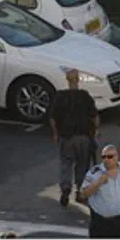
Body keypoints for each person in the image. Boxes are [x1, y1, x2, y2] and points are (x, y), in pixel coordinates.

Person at [49, 69, 100, 206]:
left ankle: (65, 188)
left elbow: (53, 118)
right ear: (78, 79)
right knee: (82, 165)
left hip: (66, 137)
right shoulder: (85, 96)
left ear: (67, 79)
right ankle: (80, 192)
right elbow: (95, 116)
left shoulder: (60, 97)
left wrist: (56, 133)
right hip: (84, 137)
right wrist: (95, 130)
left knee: (66, 163)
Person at [80, 145, 120, 238]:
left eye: (110, 156)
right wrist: (98, 183)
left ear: (117, 156)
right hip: (100, 222)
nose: (106, 159)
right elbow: (83, 194)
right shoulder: (94, 173)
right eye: (103, 157)